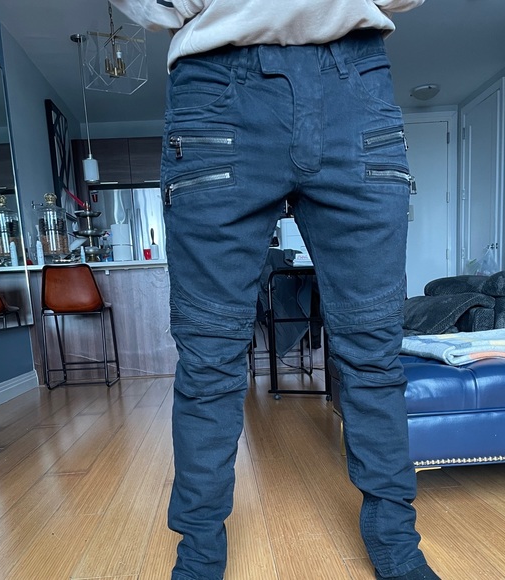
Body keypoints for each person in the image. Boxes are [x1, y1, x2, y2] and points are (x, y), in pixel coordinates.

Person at [111, 1, 438, 578]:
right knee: (209, 355)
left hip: (355, 83)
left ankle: (395, 544)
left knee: (374, 347)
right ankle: (199, 557)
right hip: (216, 88)